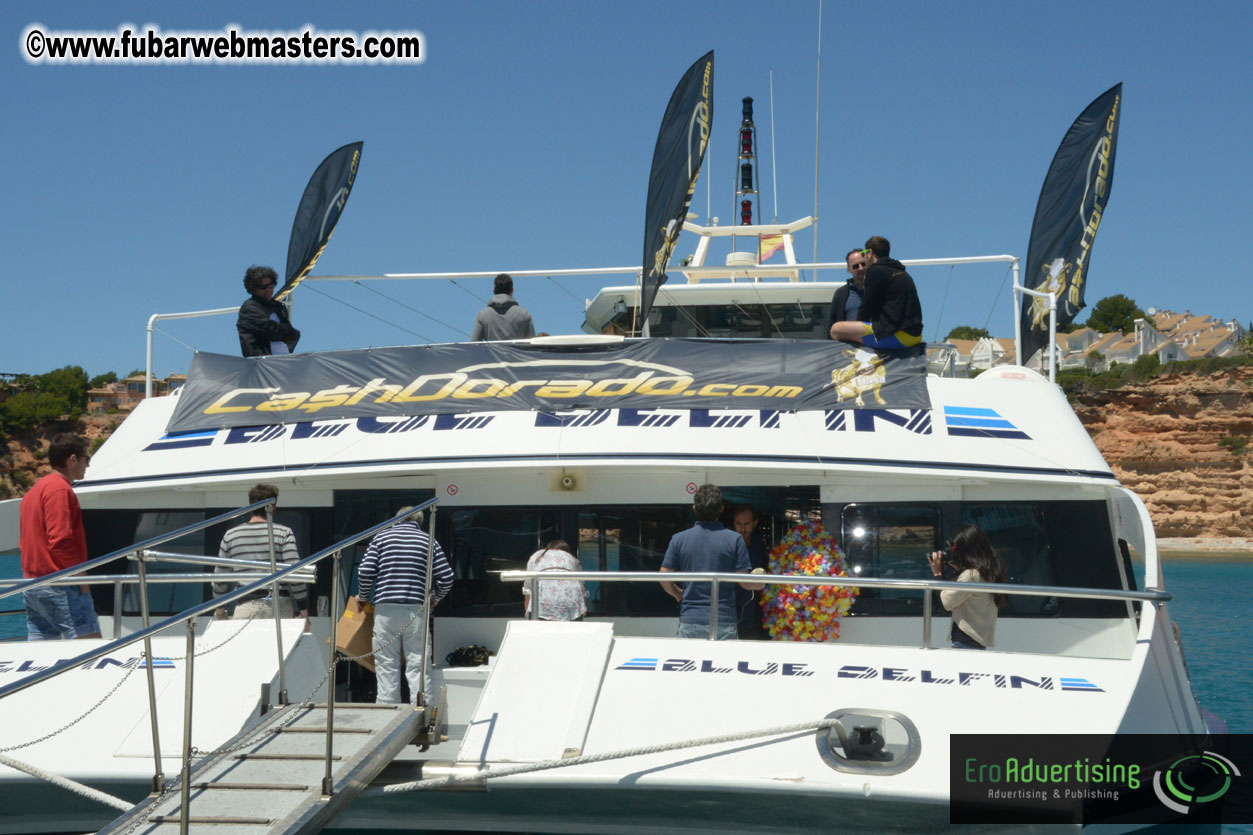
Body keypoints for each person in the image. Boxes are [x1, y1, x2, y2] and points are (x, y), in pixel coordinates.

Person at [355, 507, 454, 704]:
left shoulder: (381, 538)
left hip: (385, 610)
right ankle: (421, 710)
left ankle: (387, 712)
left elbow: (365, 571)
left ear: (396, 519)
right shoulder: (428, 540)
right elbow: (447, 577)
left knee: (386, 663)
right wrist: (435, 598)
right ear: (419, 522)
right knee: (418, 663)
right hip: (416, 610)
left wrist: (364, 597)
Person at [20, 433, 101, 641]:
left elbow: (26, 543)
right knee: (92, 652)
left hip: (33, 585)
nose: (88, 465)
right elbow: (61, 540)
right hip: (60, 585)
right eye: (86, 459)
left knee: (41, 658)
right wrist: (82, 579)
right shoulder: (59, 490)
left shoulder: (33, 492)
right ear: (72, 459)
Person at [660, 484, 763, 640]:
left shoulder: (678, 539)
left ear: (694, 509)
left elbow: (664, 576)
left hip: (690, 619)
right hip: (724, 621)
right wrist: (761, 583)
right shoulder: (735, 540)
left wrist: (678, 594)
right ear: (721, 509)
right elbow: (744, 582)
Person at [213, 484, 308, 621]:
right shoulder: (283, 533)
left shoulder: (231, 535)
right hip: (279, 606)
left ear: (251, 505)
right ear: (273, 506)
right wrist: (303, 610)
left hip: (246, 608)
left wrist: (220, 611)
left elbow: (219, 579)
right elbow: (295, 575)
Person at [829, 236, 923, 350]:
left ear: (870, 253)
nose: (862, 266)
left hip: (897, 337)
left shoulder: (875, 271)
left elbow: (866, 309)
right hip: (915, 335)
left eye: (864, 253)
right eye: (855, 266)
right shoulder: (900, 271)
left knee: (836, 329)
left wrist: (856, 329)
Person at [926, 524, 1008, 650]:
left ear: (966, 550)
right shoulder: (987, 572)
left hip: (966, 640)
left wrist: (937, 574)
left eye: (955, 549)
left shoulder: (971, 576)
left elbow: (946, 601)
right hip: (978, 640)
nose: (954, 553)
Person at [237, 265, 300, 357]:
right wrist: (286, 331)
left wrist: (290, 333)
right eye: (263, 287)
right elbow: (270, 329)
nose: (268, 290)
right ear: (253, 288)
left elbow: (293, 334)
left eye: (271, 286)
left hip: (284, 362)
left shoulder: (278, 307)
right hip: (261, 364)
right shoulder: (249, 308)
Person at [522, 539, 587, 621]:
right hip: (570, 601)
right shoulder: (572, 558)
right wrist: (583, 608)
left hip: (543, 601)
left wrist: (528, 612)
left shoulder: (537, 556)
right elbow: (581, 586)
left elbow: (528, 587)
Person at [730, 504, 769, 640]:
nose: (742, 529)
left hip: (754, 608)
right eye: (738, 524)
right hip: (731, 607)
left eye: (746, 524)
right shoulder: (728, 543)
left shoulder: (758, 543)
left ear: (755, 523)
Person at [471, 273, 536, 341]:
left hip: (492, 352)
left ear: (494, 291)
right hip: (516, 352)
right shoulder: (524, 314)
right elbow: (532, 346)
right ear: (512, 290)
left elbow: (474, 345)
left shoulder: (483, 315)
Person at [825, 248, 870, 336]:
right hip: (850, 348)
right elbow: (832, 324)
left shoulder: (883, 290)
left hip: (878, 346)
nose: (860, 268)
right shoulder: (841, 294)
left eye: (863, 264)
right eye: (855, 266)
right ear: (849, 269)